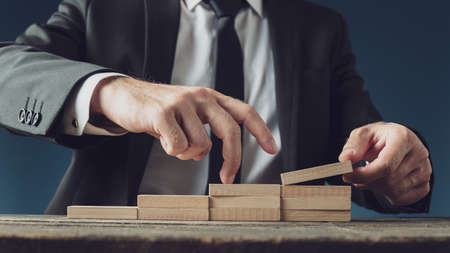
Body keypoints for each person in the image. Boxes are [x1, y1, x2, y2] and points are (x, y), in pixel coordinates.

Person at [0, 0, 432, 214]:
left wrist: (403, 159)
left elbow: (368, 148)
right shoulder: (106, 7)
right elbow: (7, 71)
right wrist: (112, 91)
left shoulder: (319, 28)